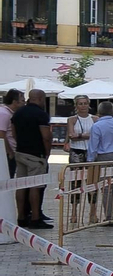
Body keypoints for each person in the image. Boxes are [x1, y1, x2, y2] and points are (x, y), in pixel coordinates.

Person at [12, 89, 53, 227]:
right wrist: (47, 153)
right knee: (35, 186)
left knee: (21, 186)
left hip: (21, 152)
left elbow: (13, 132)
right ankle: (35, 218)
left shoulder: (18, 112)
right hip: (36, 154)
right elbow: (46, 136)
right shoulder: (41, 115)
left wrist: (20, 145)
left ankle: (21, 217)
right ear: (41, 99)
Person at [66, 95, 95, 164]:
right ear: (76, 105)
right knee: (76, 173)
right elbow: (71, 136)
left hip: (91, 150)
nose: (83, 106)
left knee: (91, 173)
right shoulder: (72, 119)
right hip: (76, 150)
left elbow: (97, 135)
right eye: (80, 104)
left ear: (88, 105)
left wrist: (78, 136)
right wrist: (88, 136)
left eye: (85, 103)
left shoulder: (95, 119)